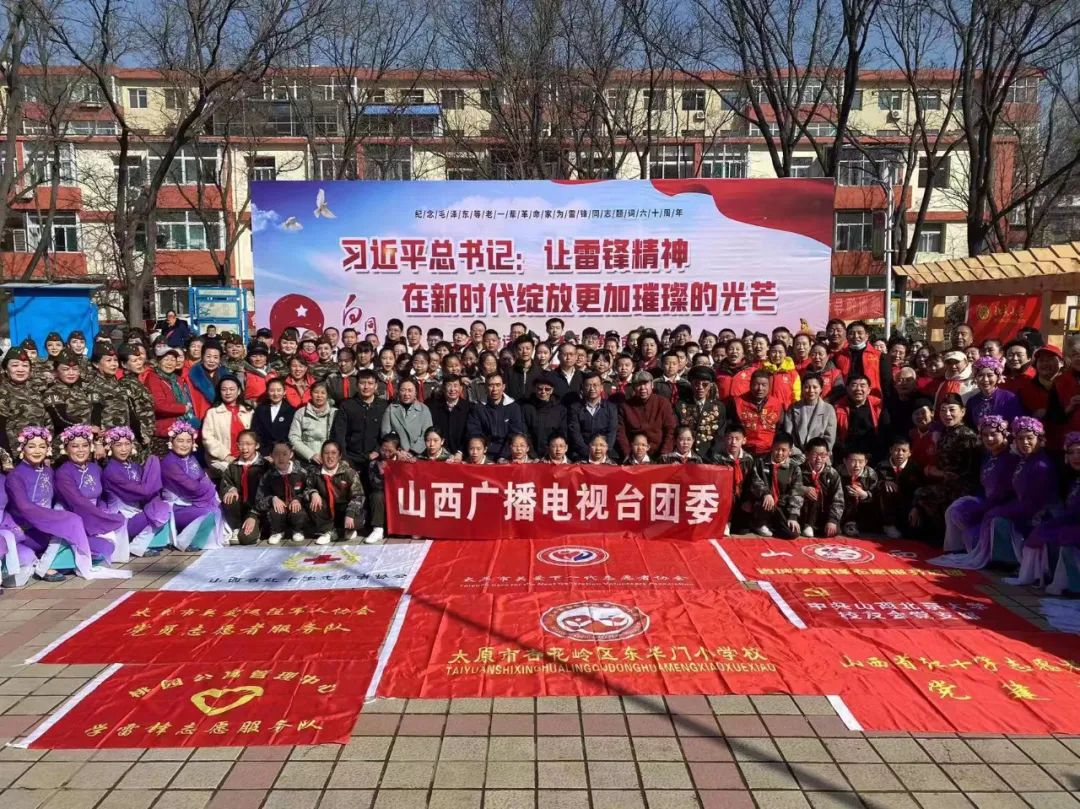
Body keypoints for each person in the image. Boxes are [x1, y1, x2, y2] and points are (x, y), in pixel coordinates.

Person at [911, 394, 981, 540]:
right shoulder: (945, 432)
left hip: (962, 486)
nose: (947, 414)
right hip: (946, 482)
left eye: (951, 410)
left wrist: (937, 473)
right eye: (943, 410)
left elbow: (967, 471)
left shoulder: (966, 435)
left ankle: (945, 536)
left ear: (962, 411)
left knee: (923, 494)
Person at [1020, 431, 1080, 591]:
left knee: (1061, 535)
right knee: (1047, 531)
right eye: (1071, 452)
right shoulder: (1073, 479)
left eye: (1079, 452)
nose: (1075, 457)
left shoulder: (1042, 466)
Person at [101, 426, 174, 556]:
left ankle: (139, 544)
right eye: (118, 445)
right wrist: (154, 465)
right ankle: (136, 545)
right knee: (160, 510)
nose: (124, 449)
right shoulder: (111, 472)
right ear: (110, 447)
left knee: (163, 507)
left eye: (127, 444)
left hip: (136, 514)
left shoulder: (134, 466)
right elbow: (142, 492)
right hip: (123, 521)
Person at [160, 421, 225, 550]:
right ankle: (189, 542)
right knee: (209, 513)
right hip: (176, 508)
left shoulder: (191, 458)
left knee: (216, 509)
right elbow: (193, 488)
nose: (184, 445)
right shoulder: (169, 463)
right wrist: (207, 486)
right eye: (180, 441)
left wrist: (205, 485)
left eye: (188, 441)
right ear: (171, 442)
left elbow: (201, 480)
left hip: (192, 504)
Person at [307, 440, 366, 545]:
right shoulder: (314, 472)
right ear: (321, 455)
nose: (330, 457)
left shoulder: (349, 472)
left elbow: (359, 496)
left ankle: (348, 529)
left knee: (356, 515)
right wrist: (313, 493)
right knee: (314, 502)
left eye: (334, 453)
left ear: (339, 456)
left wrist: (350, 513)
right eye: (326, 453)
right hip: (326, 511)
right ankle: (327, 531)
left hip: (345, 509)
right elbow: (306, 488)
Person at [331, 369, 390, 474]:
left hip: (375, 457)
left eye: (370, 383)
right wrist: (344, 458)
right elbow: (339, 434)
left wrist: (378, 450)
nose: (366, 387)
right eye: (362, 383)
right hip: (350, 458)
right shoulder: (347, 405)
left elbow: (386, 434)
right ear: (357, 385)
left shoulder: (383, 406)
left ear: (376, 386)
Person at [255, 441, 312, 545]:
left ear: (291, 454)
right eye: (276, 454)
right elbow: (259, 501)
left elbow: (310, 489)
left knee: (298, 511)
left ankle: (298, 530)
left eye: (285, 454)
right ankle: (277, 531)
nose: (281, 458)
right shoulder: (268, 476)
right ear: (271, 456)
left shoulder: (302, 472)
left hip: (297, 510)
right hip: (278, 513)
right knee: (276, 512)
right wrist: (272, 499)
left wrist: (298, 499)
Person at [747, 434, 804, 538]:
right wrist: (766, 493)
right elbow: (754, 481)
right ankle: (759, 523)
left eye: (784, 450)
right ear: (772, 447)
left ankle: (772, 525)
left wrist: (793, 516)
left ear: (790, 451)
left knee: (792, 534)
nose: (780, 453)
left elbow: (796, 493)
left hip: (781, 506)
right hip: (763, 503)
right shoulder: (760, 462)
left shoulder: (794, 468)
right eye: (777, 449)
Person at [218, 430, 268, 545]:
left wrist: (253, 514)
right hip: (239, 510)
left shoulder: (265, 466)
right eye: (241, 444)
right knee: (230, 497)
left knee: (246, 539)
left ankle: (260, 528)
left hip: (257, 511)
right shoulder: (233, 465)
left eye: (248, 444)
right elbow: (225, 482)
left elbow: (268, 493)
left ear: (257, 445)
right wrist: (231, 489)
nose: (244, 448)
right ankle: (235, 528)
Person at [616, 372, 677, 459]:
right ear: (633, 387)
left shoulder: (663, 403)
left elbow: (671, 430)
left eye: (645, 384)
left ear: (652, 385)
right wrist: (627, 454)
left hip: (659, 454)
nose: (642, 388)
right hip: (634, 455)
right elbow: (621, 433)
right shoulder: (625, 406)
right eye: (638, 385)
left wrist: (664, 453)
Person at [200, 376, 253, 475]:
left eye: (232, 389)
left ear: (239, 391)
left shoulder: (249, 411)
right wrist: (226, 456)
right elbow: (207, 438)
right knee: (235, 473)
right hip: (221, 459)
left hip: (246, 457)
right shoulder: (212, 413)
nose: (228, 392)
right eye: (224, 389)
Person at [467, 372, 525, 461]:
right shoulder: (478, 408)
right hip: (484, 453)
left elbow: (515, 433)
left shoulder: (513, 407)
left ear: (503, 387)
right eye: (491, 385)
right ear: (485, 387)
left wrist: (503, 456)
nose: (494, 389)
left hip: (508, 453)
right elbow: (474, 432)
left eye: (498, 385)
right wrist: (483, 454)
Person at [674, 366, 727, 461]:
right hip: (686, 456)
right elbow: (676, 431)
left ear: (710, 385)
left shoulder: (718, 407)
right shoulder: (680, 406)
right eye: (696, 384)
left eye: (705, 384)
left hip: (710, 456)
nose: (700, 388)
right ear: (691, 384)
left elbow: (720, 435)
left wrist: (713, 455)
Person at [876, 436, 924, 539]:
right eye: (897, 450)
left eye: (904, 450)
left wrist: (917, 507)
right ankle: (888, 525)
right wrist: (883, 483)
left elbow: (921, 489)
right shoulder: (882, 466)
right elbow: (873, 484)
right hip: (887, 507)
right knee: (887, 487)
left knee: (913, 533)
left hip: (907, 505)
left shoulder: (915, 468)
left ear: (910, 453)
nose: (900, 454)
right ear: (891, 450)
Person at [833, 375, 889, 463]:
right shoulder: (838, 407)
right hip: (847, 455)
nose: (858, 389)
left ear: (869, 390)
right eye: (854, 385)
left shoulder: (878, 405)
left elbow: (884, 432)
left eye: (862, 385)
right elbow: (835, 435)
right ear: (847, 388)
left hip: (873, 454)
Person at [798, 437, 844, 538]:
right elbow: (787, 489)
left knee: (833, 531)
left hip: (824, 513)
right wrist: (803, 489)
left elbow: (838, 500)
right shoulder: (798, 470)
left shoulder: (832, 473)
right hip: (804, 512)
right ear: (806, 454)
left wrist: (832, 520)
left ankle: (818, 526)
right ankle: (808, 525)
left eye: (823, 455)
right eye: (815, 455)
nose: (819, 459)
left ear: (828, 455)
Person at [731, 369, 784, 457]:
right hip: (743, 451)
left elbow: (780, 428)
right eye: (756, 384)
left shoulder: (777, 405)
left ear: (769, 386)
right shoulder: (737, 402)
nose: (760, 389)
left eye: (764, 385)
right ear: (750, 384)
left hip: (768, 452)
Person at [568, 371, 619, 462]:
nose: (592, 389)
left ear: (601, 387)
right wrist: (588, 453)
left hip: (605, 454)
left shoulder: (611, 408)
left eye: (595, 385)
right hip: (581, 455)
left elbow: (612, 432)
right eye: (588, 385)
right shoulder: (575, 408)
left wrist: (603, 451)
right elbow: (575, 434)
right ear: (583, 388)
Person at [782, 373, 837, 456]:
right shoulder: (793, 408)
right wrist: (797, 452)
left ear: (821, 389)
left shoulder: (828, 409)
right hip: (796, 454)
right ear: (802, 389)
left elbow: (829, 438)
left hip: (820, 456)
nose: (811, 391)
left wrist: (816, 454)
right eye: (807, 387)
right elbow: (788, 434)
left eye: (815, 387)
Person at [964, 356, 1023, 429]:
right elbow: (969, 426)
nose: (985, 379)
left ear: (998, 377)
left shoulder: (1009, 398)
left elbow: (1017, 424)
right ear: (975, 377)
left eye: (990, 375)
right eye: (980, 375)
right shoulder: (972, 401)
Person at [288, 381, 337, 466]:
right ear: (311, 394)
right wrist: (311, 455)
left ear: (327, 395)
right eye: (316, 392)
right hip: (306, 461)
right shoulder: (301, 413)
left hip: (330, 461)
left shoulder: (335, 413)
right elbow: (293, 437)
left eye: (323, 393)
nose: (319, 396)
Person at [380, 378, 433, 457]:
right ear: (398, 392)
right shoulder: (391, 408)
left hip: (418, 455)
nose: (406, 394)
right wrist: (398, 451)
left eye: (410, 390)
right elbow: (385, 433)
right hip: (397, 455)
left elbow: (427, 434)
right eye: (403, 390)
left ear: (415, 393)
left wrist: (412, 452)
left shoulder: (424, 409)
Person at [364, 432, 401, 544]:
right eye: (383, 450)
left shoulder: (403, 461)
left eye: (390, 451)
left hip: (400, 494)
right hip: (384, 493)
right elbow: (375, 485)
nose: (386, 454)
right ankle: (378, 529)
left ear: (398, 450)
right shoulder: (374, 463)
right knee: (376, 495)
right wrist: (383, 474)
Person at [522, 372, 568, 457]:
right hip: (530, 455)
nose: (543, 392)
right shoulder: (526, 408)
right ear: (535, 389)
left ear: (552, 390)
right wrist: (532, 455)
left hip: (552, 455)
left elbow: (562, 434)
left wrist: (549, 454)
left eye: (547, 389)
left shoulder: (560, 410)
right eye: (540, 388)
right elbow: (525, 434)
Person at [253, 378, 296, 458]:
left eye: (279, 390)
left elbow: (292, 436)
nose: (276, 394)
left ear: (284, 392)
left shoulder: (291, 411)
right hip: (264, 453)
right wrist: (263, 454)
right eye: (272, 390)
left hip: (283, 454)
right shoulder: (260, 409)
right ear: (267, 392)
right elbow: (255, 433)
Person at [839, 450, 879, 536]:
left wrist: (864, 494)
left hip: (863, 508)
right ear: (845, 461)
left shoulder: (871, 474)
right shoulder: (838, 471)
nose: (857, 465)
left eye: (861, 462)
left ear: (866, 462)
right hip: (843, 507)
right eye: (853, 461)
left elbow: (876, 495)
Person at [184, 342, 225, 422]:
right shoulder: (191, 377)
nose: (211, 360)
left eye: (216, 357)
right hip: (202, 420)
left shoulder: (226, 377)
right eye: (208, 356)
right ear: (202, 357)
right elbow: (186, 401)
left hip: (223, 420)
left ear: (220, 359)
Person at [760, 341, 801, 409]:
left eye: (780, 352)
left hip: (786, 410)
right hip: (766, 410)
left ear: (785, 354)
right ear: (769, 353)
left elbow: (796, 396)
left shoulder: (793, 373)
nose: (777, 355)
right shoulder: (763, 370)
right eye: (774, 352)